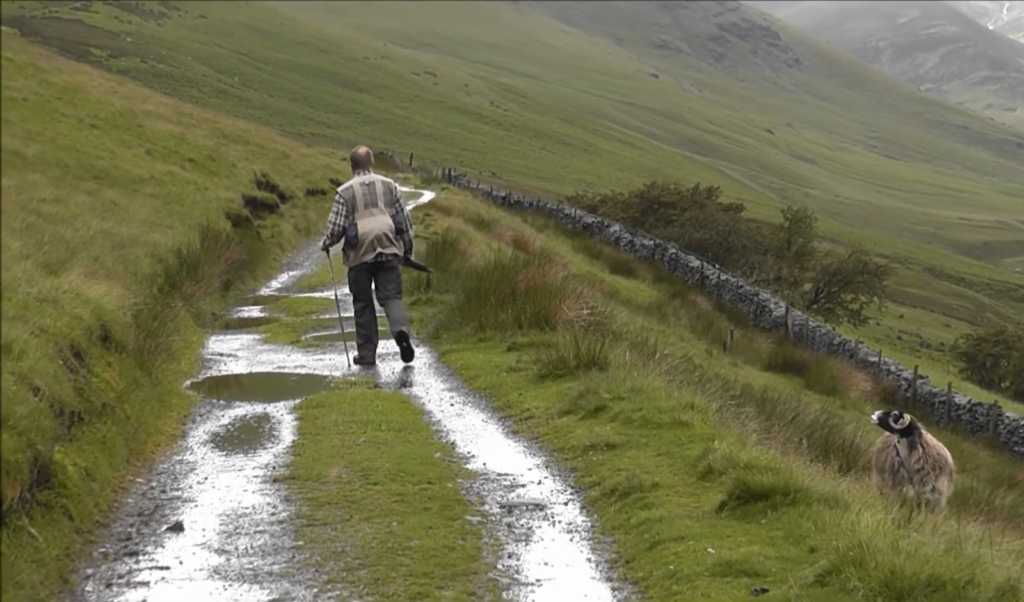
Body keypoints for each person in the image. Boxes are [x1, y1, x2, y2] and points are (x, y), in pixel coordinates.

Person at [319, 146, 415, 366]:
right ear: (371, 163)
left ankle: (367, 355)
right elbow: (405, 224)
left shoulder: (345, 191)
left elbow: (335, 229)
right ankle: (401, 332)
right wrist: (407, 252)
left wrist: (326, 244)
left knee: (363, 303)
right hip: (389, 249)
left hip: (359, 255)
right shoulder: (390, 186)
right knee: (392, 298)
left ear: (352, 166)